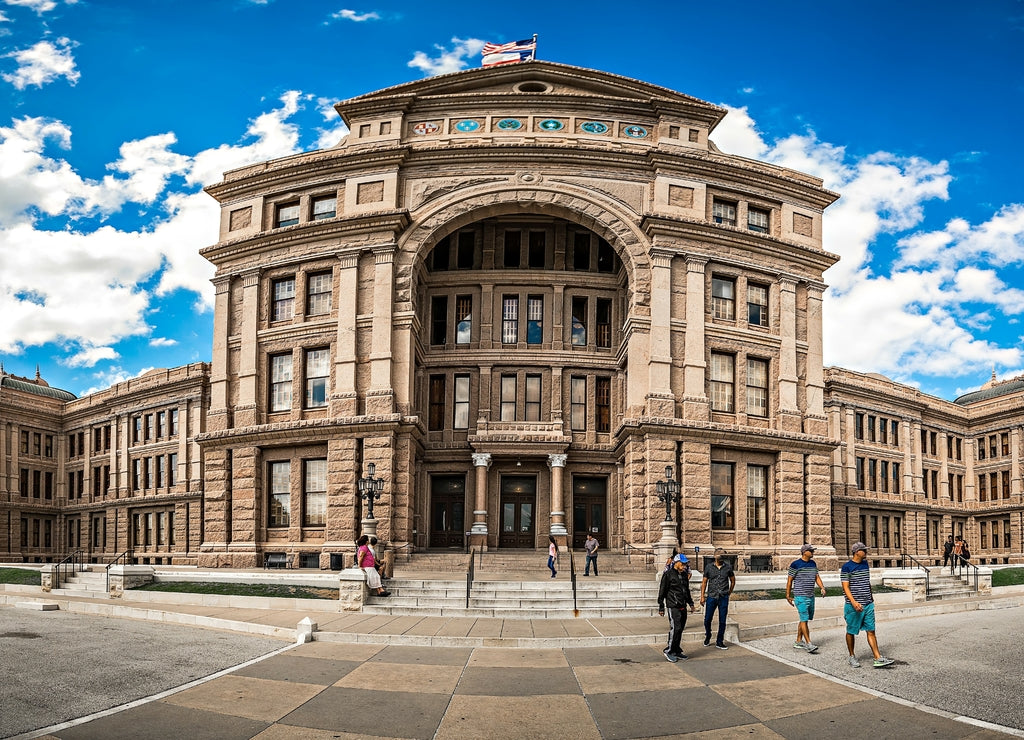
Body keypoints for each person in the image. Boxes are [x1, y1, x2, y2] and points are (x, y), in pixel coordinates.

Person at [841, 542, 894, 668]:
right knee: (851, 631)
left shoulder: (865, 564)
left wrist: (871, 597)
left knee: (871, 631)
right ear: (857, 552)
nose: (866, 552)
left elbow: (867, 582)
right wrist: (854, 603)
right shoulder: (846, 567)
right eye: (864, 550)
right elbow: (845, 587)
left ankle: (877, 657)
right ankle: (852, 656)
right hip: (853, 605)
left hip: (868, 604)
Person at [786, 544, 827, 653]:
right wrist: (788, 595)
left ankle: (799, 641)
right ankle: (809, 643)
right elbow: (790, 581)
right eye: (811, 551)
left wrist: (822, 587)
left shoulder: (813, 563)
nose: (813, 552)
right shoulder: (795, 564)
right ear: (804, 552)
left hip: (810, 596)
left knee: (804, 619)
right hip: (800, 596)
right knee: (804, 619)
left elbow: (816, 577)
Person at [658, 554, 696, 662]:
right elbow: (662, 591)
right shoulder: (668, 575)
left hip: (682, 604)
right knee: (675, 628)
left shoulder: (684, 575)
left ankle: (677, 649)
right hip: (673, 605)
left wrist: (691, 603)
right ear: (677, 563)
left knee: (681, 628)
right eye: (683, 564)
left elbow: (686, 590)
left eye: (685, 564)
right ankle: (669, 650)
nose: (684, 566)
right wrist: (661, 606)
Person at [700, 547, 735, 649]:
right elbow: (704, 582)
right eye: (721, 555)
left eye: (723, 555)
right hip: (712, 596)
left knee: (722, 620)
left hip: (723, 596)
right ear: (715, 556)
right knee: (707, 619)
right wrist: (702, 596)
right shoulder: (709, 567)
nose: (722, 557)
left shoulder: (728, 567)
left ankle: (720, 641)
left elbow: (732, 580)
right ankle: (708, 635)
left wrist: (729, 592)